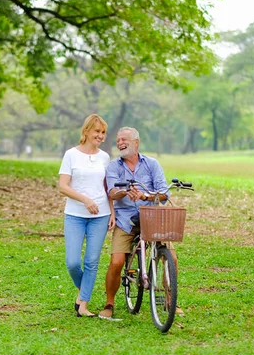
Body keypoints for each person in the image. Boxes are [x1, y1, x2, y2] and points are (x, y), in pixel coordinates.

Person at [99, 126, 182, 319]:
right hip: (125, 219)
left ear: (136, 142)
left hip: (152, 217)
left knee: (172, 258)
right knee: (117, 261)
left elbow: (163, 193)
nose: (120, 143)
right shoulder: (114, 167)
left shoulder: (152, 164)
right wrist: (124, 192)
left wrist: (145, 196)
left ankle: (170, 301)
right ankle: (109, 303)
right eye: (118, 140)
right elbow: (112, 191)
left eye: (124, 139)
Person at [58, 114, 115, 317]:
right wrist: (85, 200)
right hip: (75, 214)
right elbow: (63, 187)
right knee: (72, 262)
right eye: (97, 131)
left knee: (91, 261)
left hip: (101, 215)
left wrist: (112, 213)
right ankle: (83, 290)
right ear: (86, 131)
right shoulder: (71, 155)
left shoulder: (104, 158)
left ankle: (83, 304)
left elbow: (108, 188)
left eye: (103, 132)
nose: (100, 136)